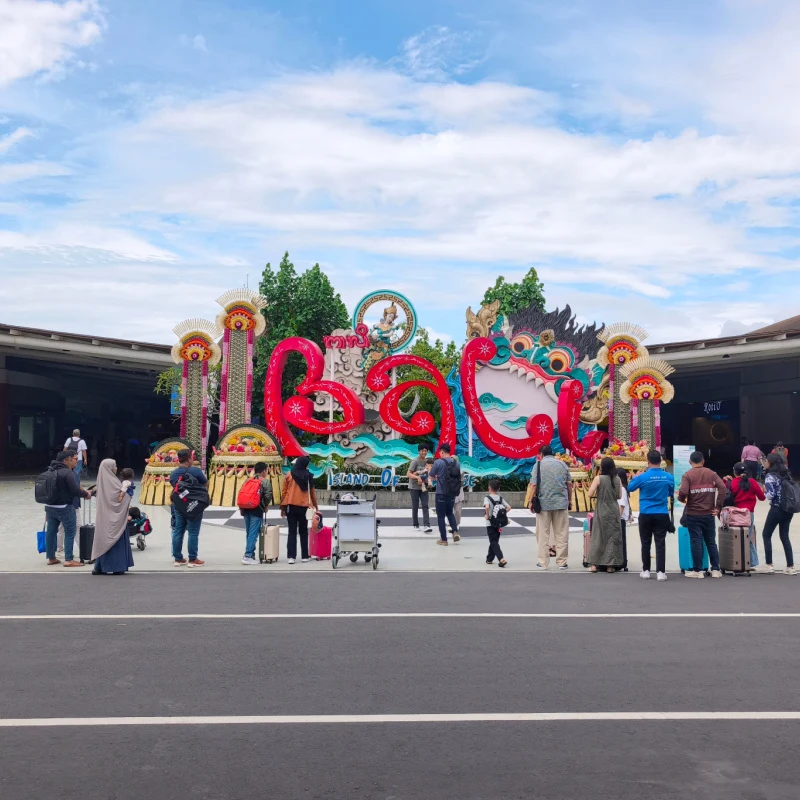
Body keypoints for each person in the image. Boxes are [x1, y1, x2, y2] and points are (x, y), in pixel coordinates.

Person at [627, 450, 674, 581]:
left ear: (648, 462)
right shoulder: (668, 477)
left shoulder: (643, 477)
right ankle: (660, 572)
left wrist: (636, 477)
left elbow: (630, 488)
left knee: (645, 542)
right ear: (660, 461)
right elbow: (670, 492)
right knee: (660, 543)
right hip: (662, 513)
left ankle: (646, 570)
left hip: (646, 513)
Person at [678, 451, 726, 579]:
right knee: (711, 541)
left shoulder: (687, 475)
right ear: (703, 461)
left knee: (696, 541)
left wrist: (681, 499)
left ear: (690, 462)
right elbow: (722, 487)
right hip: (709, 513)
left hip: (693, 514)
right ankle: (716, 569)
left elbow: (682, 491)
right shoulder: (712, 474)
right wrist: (718, 507)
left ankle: (698, 570)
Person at [43, 450, 93, 566]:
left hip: (50, 507)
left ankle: (51, 558)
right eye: (75, 459)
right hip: (65, 507)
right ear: (66, 461)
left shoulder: (50, 471)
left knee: (51, 532)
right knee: (70, 532)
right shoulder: (67, 472)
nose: (77, 461)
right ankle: (69, 559)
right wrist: (86, 494)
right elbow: (74, 490)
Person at [529, 445, 572, 570]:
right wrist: (570, 500)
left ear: (541, 454)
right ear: (552, 454)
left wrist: (530, 501)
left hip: (543, 504)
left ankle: (543, 562)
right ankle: (562, 562)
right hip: (561, 503)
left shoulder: (538, 465)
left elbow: (533, 485)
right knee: (562, 533)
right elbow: (569, 484)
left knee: (543, 533)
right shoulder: (562, 465)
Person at [91, 459, 134, 575]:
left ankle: (100, 566)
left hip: (103, 518)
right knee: (116, 538)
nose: (116, 468)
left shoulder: (101, 483)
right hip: (116, 520)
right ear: (110, 469)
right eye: (114, 466)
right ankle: (117, 566)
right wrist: (129, 493)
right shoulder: (115, 483)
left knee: (103, 539)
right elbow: (120, 500)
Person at [169, 449, 208, 567]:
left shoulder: (174, 473)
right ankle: (192, 559)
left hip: (179, 505)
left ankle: (178, 558)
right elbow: (205, 484)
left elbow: (174, 487)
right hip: (194, 505)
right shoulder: (196, 471)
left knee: (178, 531)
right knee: (193, 532)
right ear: (189, 459)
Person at [587, 457, 624, 573]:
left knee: (598, 535)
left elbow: (589, 494)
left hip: (601, 508)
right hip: (613, 508)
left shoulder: (598, 478)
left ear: (602, 467)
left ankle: (593, 565)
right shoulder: (618, 479)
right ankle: (610, 566)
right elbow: (619, 496)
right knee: (612, 536)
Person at [761, 453, 796, 575]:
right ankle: (791, 566)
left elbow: (771, 495)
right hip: (788, 509)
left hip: (776, 509)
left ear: (770, 463)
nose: (765, 463)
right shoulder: (786, 473)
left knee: (766, 534)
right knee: (785, 536)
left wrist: (764, 491)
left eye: (767, 461)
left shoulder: (770, 476)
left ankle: (769, 564)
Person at [280, 456, 319, 564]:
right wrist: (316, 507)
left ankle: (291, 557)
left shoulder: (289, 475)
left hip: (291, 506)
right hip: (304, 507)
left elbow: (284, 492)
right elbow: (312, 493)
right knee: (303, 532)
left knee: (291, 532)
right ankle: (304, 556)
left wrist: (282, 507)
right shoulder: (308, 476)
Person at [728, 462, 764, 570]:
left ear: (735, 472)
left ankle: (735, 561)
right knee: (747, 537)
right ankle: (751, 562)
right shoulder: (752, 482)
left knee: (735, 537)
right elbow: (762, 498)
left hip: (735, 514)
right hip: (748, 514)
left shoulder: (732, 483)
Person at [239, 462, 272, 565]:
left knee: (249, 533)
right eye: (266, 471)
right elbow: (268, 495)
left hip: (245, 508)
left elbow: (241, 493)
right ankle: (248, 556)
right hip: (256, 510)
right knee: (253, 534)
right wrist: (265, 506)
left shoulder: (247, 480)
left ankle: (251, 554)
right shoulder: (265, 481)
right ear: (263, 471)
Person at [428, 444, 461, 546]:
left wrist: (435, 475)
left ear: (442, 452)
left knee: (441, 516)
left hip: (441, 493)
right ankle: (455, 531)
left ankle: (444, 539)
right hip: (452, 493)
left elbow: (431, 476)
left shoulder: (438, 462)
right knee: (450, 513)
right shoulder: (456, 463)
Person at [484, 479, 510, 567]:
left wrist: (487, 515)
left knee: (493, 541)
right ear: (498, 489)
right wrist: (501, 514)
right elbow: (509, 507)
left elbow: (487, 507)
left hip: (490, 523)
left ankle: (501, 559)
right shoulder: (500, 498)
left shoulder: (487, 498)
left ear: (489, 488)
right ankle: (489, 559)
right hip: (499, 524)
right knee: (494, 541)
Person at [407, 445, 433, 533]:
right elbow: (409, 474)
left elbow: (430, 474)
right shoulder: (415, 461)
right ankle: (415, 524)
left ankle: (426, 525)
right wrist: (417, 478)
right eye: (422, 451)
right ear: (419, 451)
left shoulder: (428, 462)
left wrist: (429, 480)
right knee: (415, 506)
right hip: (414, 487)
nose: (424, 452)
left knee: (425, 505)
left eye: (425, 451)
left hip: (424, 487)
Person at [64, 429, 88, 509]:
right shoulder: (82, 441)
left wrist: (64, 457)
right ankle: (75, 486)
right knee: (76, 474)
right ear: (79, 434)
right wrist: (85, 459)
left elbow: (65, 449)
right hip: (78, 459)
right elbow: (84, 451)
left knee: (69, 472)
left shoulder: (69, 439)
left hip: (68, 460)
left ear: (72, 433)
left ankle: (71, 483)